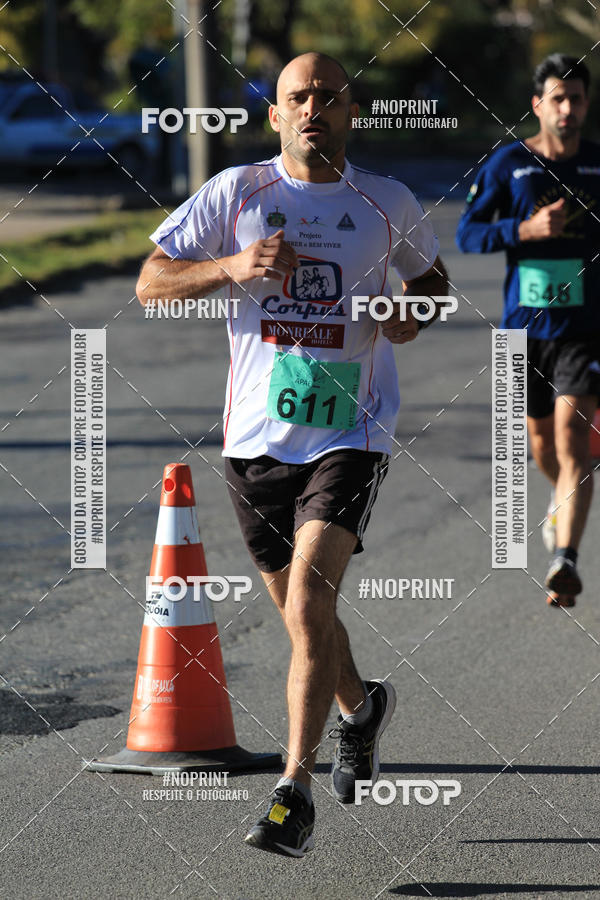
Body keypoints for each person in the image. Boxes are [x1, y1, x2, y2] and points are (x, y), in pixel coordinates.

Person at [137, 51, 448, 857]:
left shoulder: (387, 202)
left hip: (353, 431)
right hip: (254, 443)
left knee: (309, 603)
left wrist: (408, 313)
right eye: (297, 98)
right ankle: (362, 705)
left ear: (354, 112)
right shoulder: (237, 194)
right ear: (275, 115)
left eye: (330, 97)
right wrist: (232, 266)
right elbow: (150, 282)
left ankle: (292, 792)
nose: (314, 109)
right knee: (304, 621)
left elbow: (433, 286)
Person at [456, 53, 600, 608]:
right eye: (557, 99)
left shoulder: (598, 165)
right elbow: (468, 236)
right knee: (540, 443)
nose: (567, 109)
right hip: (522, 331)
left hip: (584, 328)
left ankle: (566, 560)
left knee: (571, 437)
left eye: (577, 98)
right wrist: (526, 228)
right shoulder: (507, 164)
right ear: (538, 105)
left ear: (587, 104)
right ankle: (558, 505)